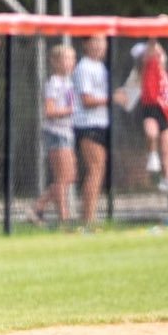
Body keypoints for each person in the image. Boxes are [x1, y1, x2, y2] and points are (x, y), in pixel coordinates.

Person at [31, 45, 77, 226]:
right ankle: (60, 216)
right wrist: (70, 111)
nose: (70, 63)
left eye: (72, 59)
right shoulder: (54, 83)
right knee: (63, 177)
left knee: (68, 177)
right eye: (66, 59)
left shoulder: (70, 82)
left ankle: (40, 208)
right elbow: (49, 111)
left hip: (67, 132)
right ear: (55, 62)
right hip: (56, 133)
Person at [72, 36, 111, 228]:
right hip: (88, 125)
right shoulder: (84, 67)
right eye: (95, 41)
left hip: (102, 123)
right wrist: (111, 99)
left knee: (99, 170)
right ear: (85, 44)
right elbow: (86, 100)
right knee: (94, 170)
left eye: (102, 41)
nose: (99, 46)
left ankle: (91, 216)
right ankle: (87, 219)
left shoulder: (101, 67)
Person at [136, 39, 168, 195]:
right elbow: (150, 50)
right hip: (152, 107)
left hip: (165, 111)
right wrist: (154, 40)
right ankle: (152, 154)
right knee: (152, 133)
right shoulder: (150, 69)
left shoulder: (166, 75)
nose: (160, 53)